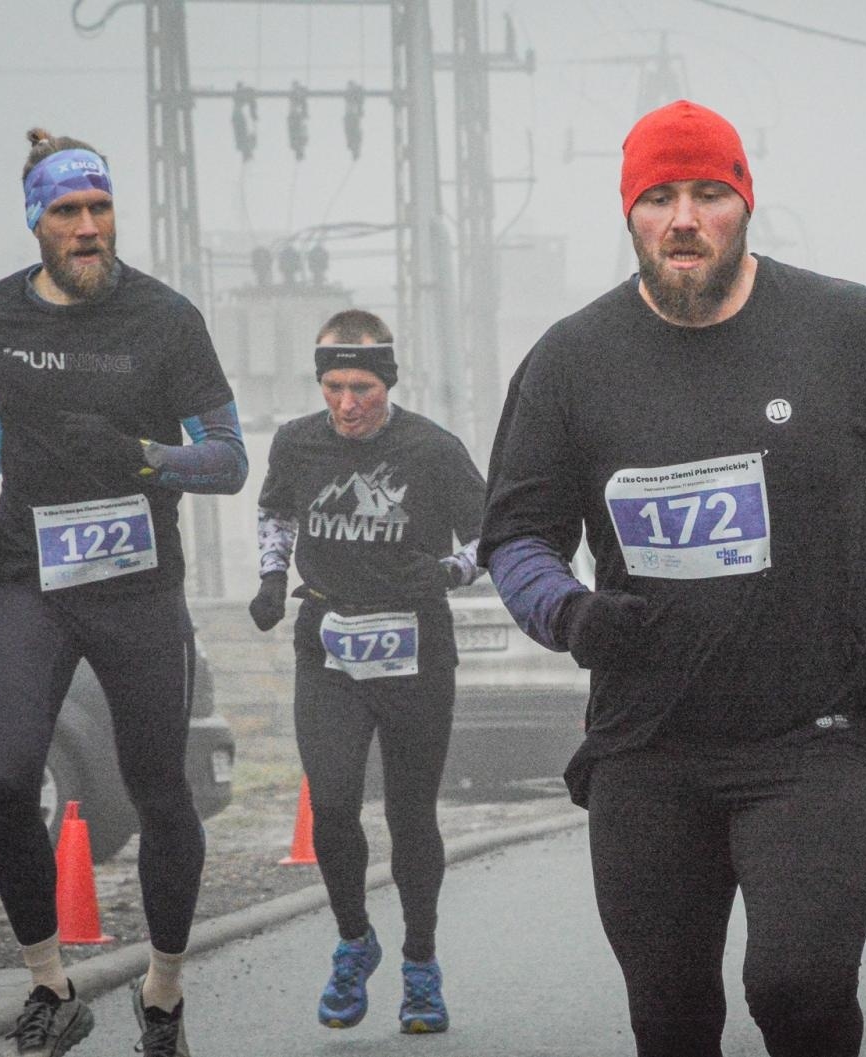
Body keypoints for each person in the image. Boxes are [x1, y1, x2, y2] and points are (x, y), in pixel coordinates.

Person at [478, 100, 866, 1057]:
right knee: (669, 1015)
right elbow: (516, 536)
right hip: (648, 737)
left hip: (816, 725)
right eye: (658, 197)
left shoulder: (847, 329)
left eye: (709, 194)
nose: (683, 219)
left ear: (745, 203)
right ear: (629, 213)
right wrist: (569, 613)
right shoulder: (570, 360)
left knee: (799, 987)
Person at [0, 128, 248, 1057]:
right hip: (31, 577)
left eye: (101, 208)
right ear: (36, 220)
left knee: (160, 788)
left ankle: (162, 992)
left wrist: (141, 455)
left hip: (138, 585)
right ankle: (49, 986)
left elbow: (229, 459)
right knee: (5, 780)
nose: (88, 228)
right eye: (68, 211)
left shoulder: (166, 319)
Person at [247, 309, 485, 1034]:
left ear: (389, 382)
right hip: (329, 642)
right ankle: (355, 940)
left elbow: (493, 537)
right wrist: (270, 579)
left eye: (363, 389)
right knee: (332, 803)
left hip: (414, 645)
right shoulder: (297, 442)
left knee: (410, 814)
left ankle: (421, 964)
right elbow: (275, 513)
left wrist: (444, 571)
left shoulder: (433, 449)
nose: (348, 404)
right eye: (334, 388)